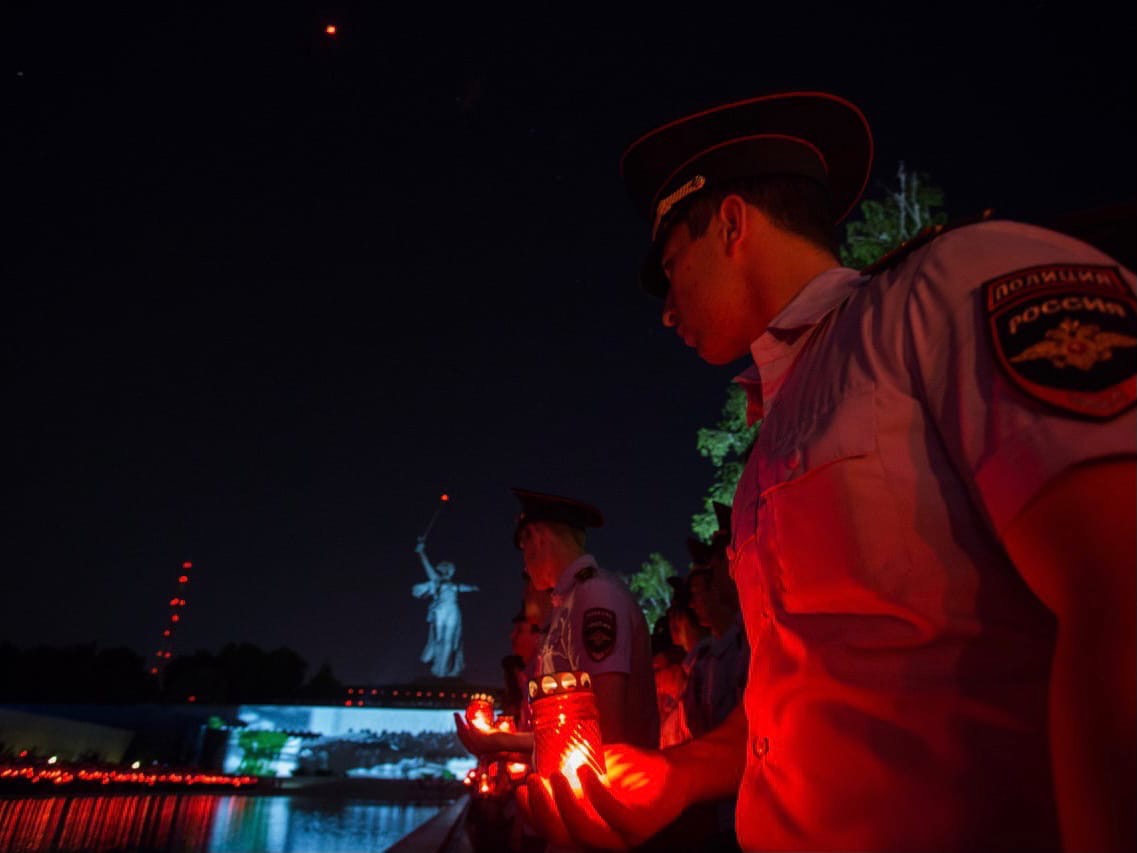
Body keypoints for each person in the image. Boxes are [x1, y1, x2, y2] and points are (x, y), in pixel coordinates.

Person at [519, 91, 1136, 852]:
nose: (666, 310)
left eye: (671, 266)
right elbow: (810, 687)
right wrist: (677, 775)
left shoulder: (948, 285)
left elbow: (1119, 584)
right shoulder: (774, 439)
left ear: (732, 224)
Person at [455, 487, 659, 759]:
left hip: (609, 791)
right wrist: (506, 744)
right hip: (580, 787)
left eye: (523, 548)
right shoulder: (567, 604)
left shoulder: (595, 596)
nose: (525, 565)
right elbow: (565, 734)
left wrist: (506, 741)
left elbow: (606, 731)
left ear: (537, 537)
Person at [412, 539, 478, 678]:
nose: (450, 572)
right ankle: (437, 669)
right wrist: (421, 551)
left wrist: (474, 588)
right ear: (443, 570)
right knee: (439, 638)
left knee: (450, 639)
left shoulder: (455, 584)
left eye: (451, 570)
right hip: (440, 611)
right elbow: (427, 566)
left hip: (453, 610)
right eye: (448, 569)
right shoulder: (437, 580)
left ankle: (444, 671)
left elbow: (465, 587)